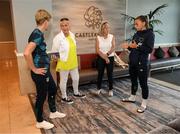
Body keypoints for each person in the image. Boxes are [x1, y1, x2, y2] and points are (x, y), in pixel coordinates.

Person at [24, 9, 66, 130]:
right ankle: (39, 121)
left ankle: (53, 112)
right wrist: (34, 69)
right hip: (40, 72)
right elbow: (27, 53)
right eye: (49, 21)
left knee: (53, 88)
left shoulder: (39, 34)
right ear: (45, 21)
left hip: (44, 70)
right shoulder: (37, 34)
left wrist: (51, 58)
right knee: (41, 96)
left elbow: (39, 52)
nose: (49, 23)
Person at [121, 15, 155, 113]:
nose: (135, 25)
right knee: (133, 81)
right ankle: (132, 97)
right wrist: (127, 46)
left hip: (142, 63)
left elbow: (149, 49)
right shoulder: (137, 34)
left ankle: (144, 104)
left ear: (144, 23)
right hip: (133, 62)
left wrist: (136, 47)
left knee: (143, 83)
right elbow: (133, 47)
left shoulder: (150, 34)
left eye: (137, 24)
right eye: (135, 24)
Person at [52, 18, 86, 104]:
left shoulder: (72, 35)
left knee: (76, 78)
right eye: (62, 25)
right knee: (64, 80)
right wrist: (55, 59)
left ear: (69, 26)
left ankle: (76, 93)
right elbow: (54, 52)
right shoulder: (58, 38)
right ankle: (64, 97)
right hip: (64, 62)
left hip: (73, 62)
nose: (64, 27)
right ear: (60, 26)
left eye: (66, 25)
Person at [95, 22, 115, 97]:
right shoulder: (98, 37)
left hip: (110, 57)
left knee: (110, 74)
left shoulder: (112, 36)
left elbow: (113, 47)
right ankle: (98, 88)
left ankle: (110, 89)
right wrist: (104, 57)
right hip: (101, 57)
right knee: (100, 73)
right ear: (102, 29)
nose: (106, 29)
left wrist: (106, 56)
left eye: (107, 27)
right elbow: (97, 50)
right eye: (104, 28)